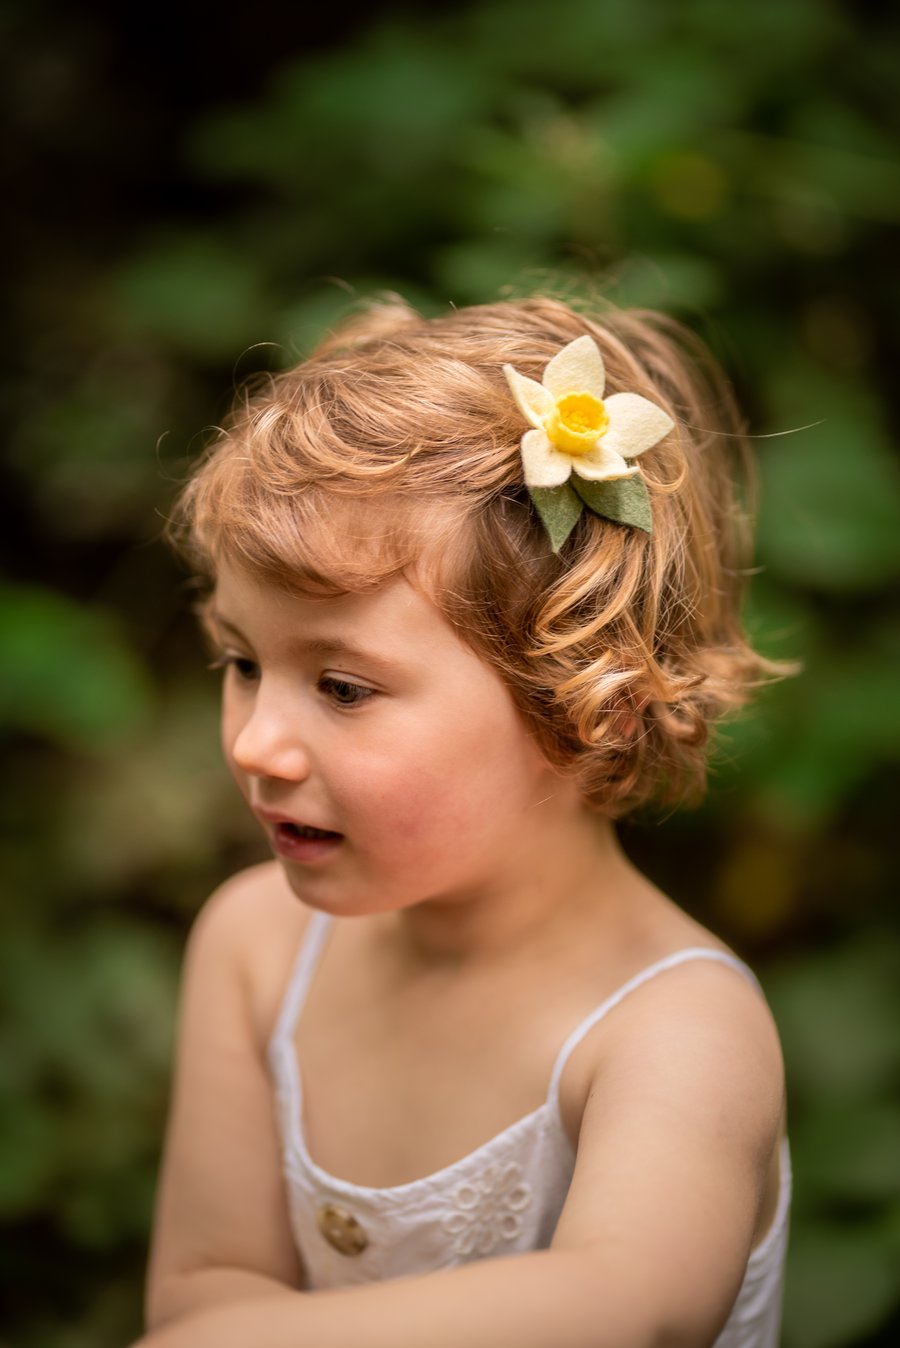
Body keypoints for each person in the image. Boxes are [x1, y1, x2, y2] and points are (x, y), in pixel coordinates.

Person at [138, 296, 791, 1348]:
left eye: (342, 687)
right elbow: (209, 1282)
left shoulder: (671, 1032)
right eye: (242, 661)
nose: (257, 741)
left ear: (591, 707)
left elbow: (634, 1301)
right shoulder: (258, 948)